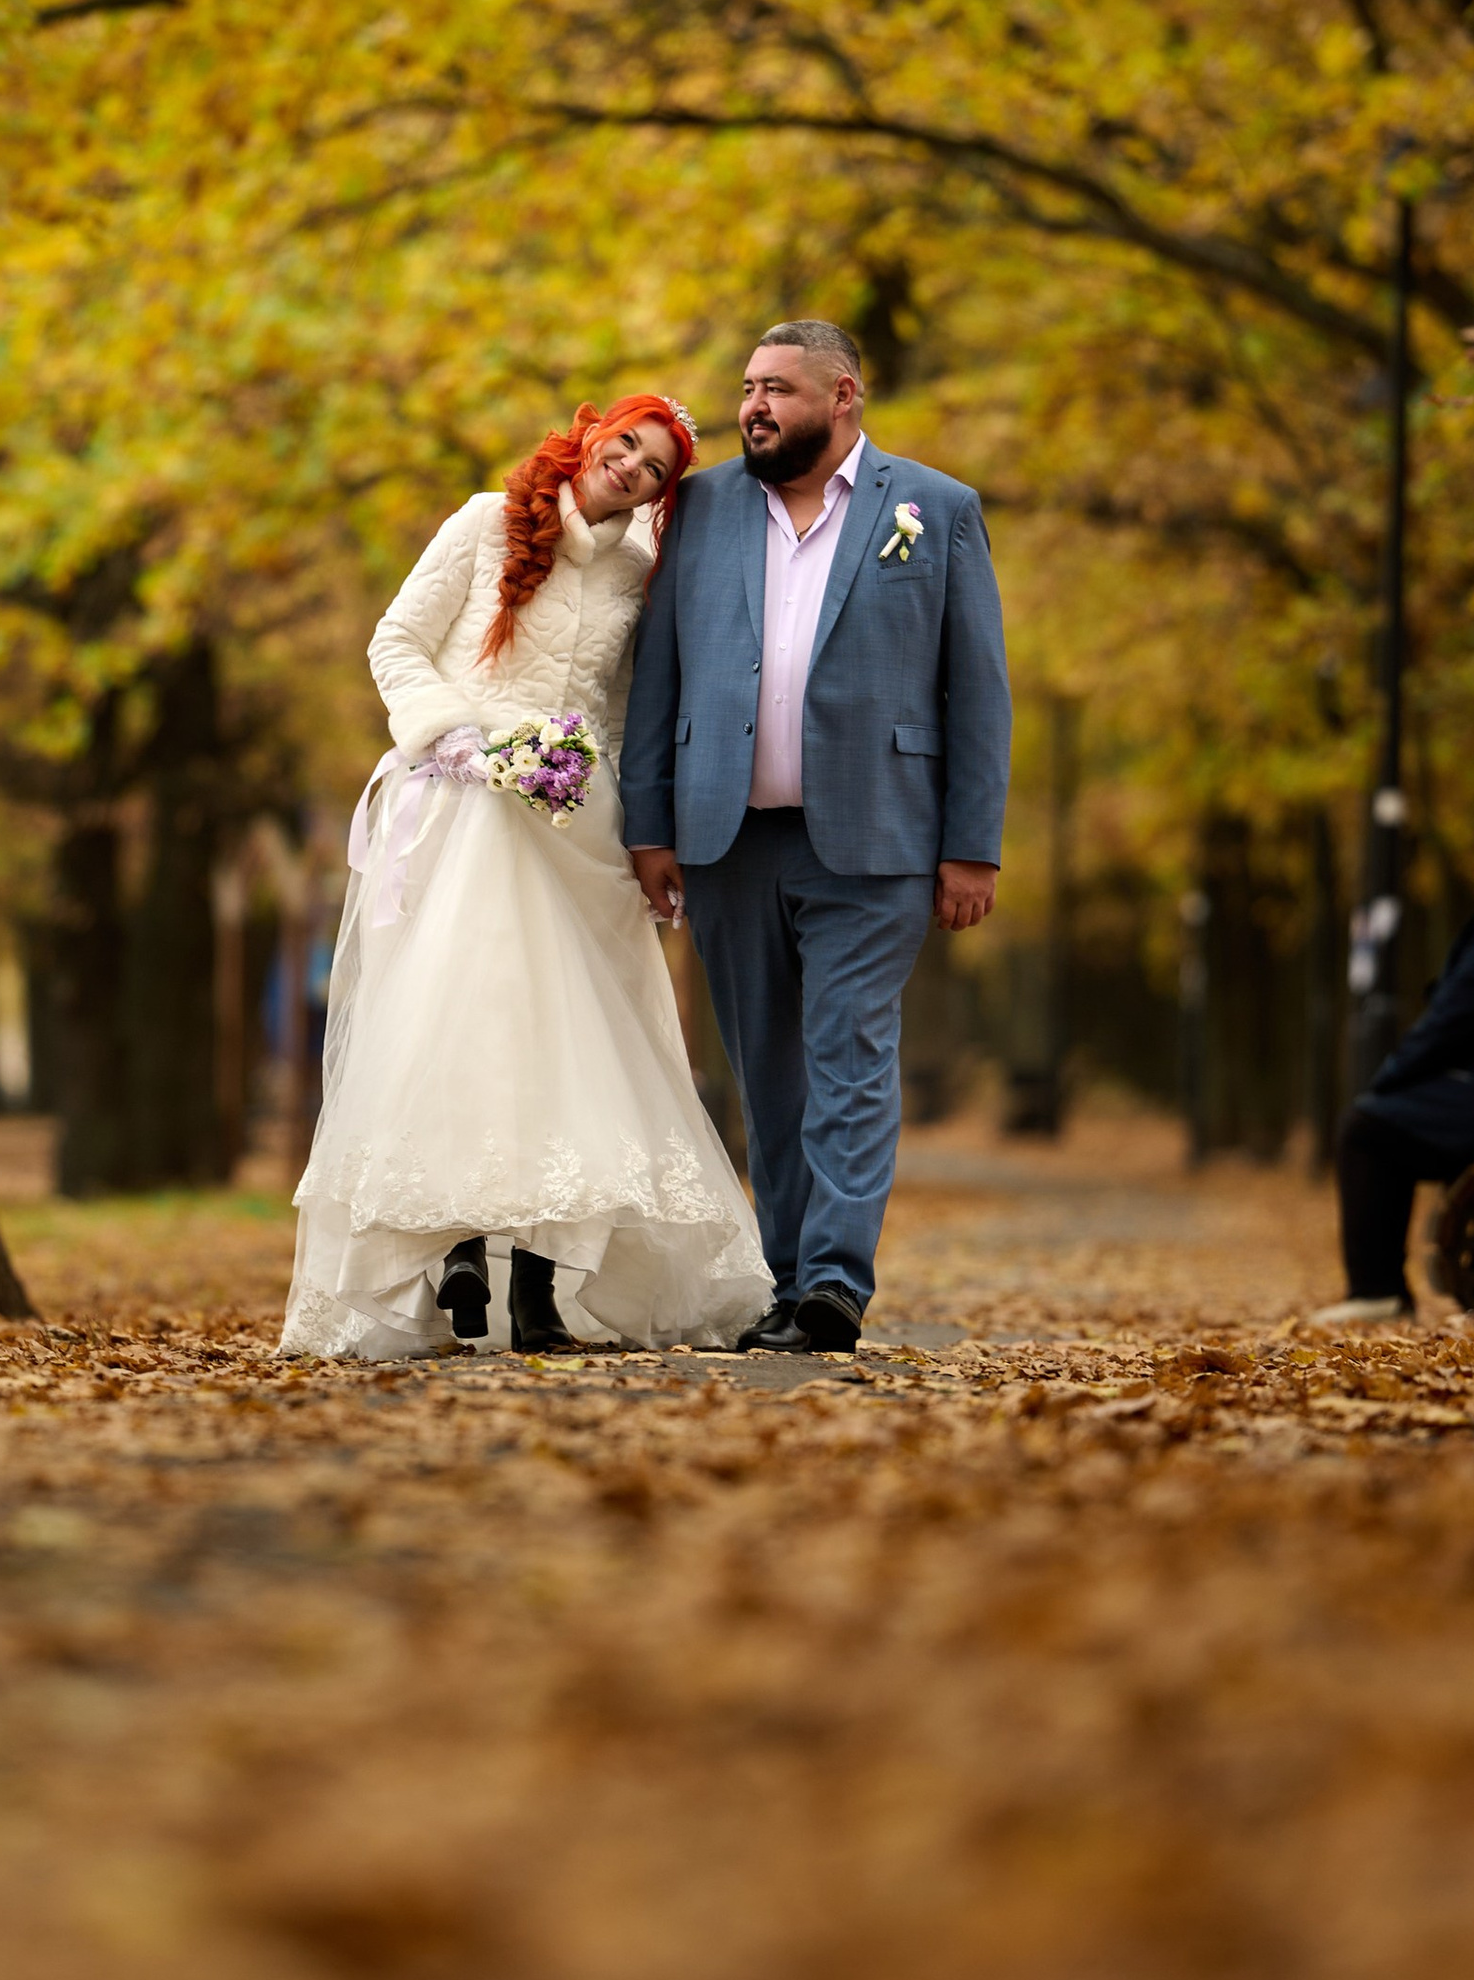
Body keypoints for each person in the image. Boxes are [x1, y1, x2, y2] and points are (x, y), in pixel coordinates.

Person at [279, 396, 771, 1359]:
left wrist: (632, 818)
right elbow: (395, 643)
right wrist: (452, 734)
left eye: (656, 468)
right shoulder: (486, 520)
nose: (631, 467)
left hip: (578, 824)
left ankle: (542, 1294)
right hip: (466, 808)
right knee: (467, 1021)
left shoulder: (639, 574)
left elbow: (627, 706)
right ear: (593, 437)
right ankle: (457, 1247)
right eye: (626, 444)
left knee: (569, 1041)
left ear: (664, 493)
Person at [619, 323, 1013, 1352]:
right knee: (765, 1072)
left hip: (878, 837)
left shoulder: (935, 510)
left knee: (848, 1051)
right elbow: (656, 676)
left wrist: (972, 844)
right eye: (747, 388)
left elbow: (977, 688)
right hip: (724, 837)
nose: (752, 406)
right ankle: (785, 1279)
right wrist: (649, 824)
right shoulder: (696, 509)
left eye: (777, 390)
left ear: (844, 396)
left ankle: (834, 1283)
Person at [1315, 809, 1474, 1325]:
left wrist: (1391, 1078)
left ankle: (1378, 1290)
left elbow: (1456, 1017)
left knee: (1366, 1128)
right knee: (1399, 1121)